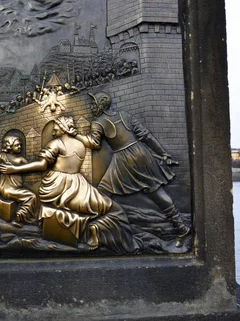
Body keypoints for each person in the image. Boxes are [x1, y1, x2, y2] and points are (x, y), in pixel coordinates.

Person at [0, 116, 139, 254]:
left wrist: (14, 169)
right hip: (79, 185)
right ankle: (95, 227)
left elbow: (42, 166)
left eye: (56, 129)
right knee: (111, 209)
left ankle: (87, 228)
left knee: (37, 198)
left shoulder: (57, 143)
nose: (53, 133)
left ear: (64, 129)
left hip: (56, 186)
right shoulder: (80, 144)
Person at [76, 92, 191, 247]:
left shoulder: (99, 122)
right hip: (142, 154)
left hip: (124, 159)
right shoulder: (125, 115)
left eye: (94, 104)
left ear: (101, 105)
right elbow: (146, 136)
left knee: (103, 192)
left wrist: (75, 134)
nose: (91, 107)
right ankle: (181, 227)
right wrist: (162, 153)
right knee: (156, 192)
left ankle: (99, 231)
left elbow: (94, 143)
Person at [0, 135, 37, 227]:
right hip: (11, 190)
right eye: (17, 145)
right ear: (9, 146)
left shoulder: (1, 157)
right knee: (31, 196)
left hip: (1, 189)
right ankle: (19, 218)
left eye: (20, 145)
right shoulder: (20, 159)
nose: (20, 146)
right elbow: (31, 167)